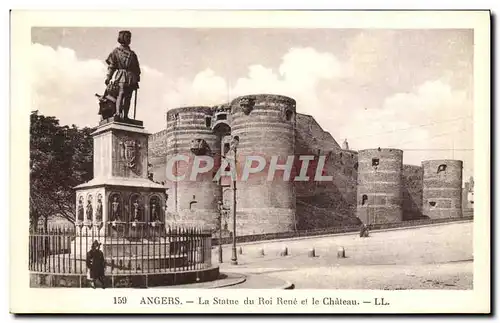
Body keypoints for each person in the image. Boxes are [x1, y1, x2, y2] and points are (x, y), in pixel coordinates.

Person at [104, 30, 141, 119]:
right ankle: (118, 113)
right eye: (127, 37)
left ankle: (126, 116)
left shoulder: (133, 54)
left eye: (130, 37)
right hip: (121, 75)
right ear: (122, 38)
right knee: (121, 93)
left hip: (131, 77)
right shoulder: (116, 51)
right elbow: (112, 66)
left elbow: (137, 68)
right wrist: (108, 77)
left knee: (128, 97)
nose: (129, 39)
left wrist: (137, 76)